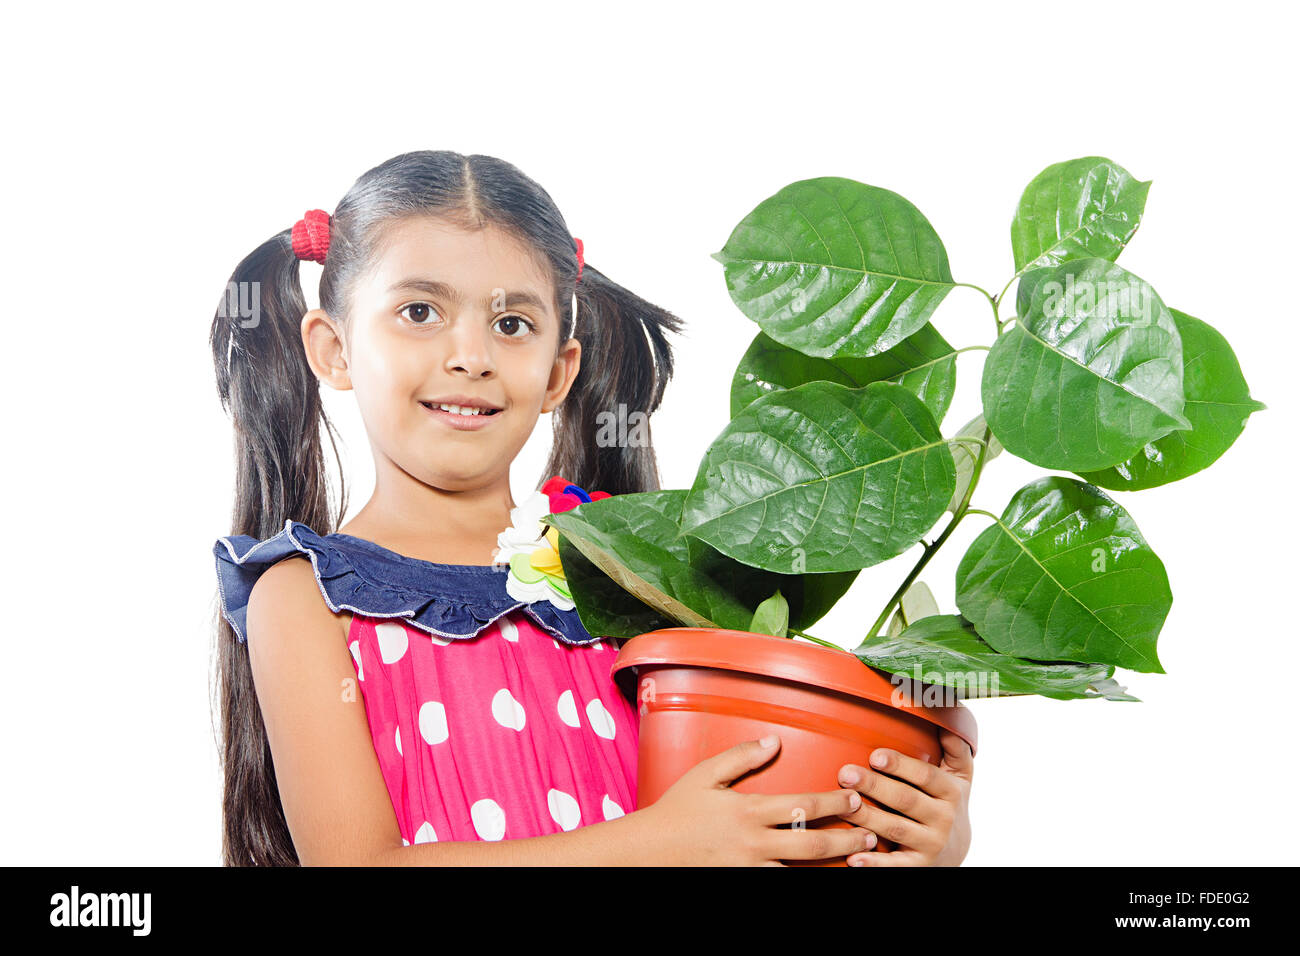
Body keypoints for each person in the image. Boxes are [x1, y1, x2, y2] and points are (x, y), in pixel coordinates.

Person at [209, 149, 973, 866]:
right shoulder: (306, 595)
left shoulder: (626, 571)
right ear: (333, 349)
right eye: (419, 312)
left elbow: (758, 798)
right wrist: (652, 847)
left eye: (512, 324)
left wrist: (923, 827)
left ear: (556, 373)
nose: (470, 356)